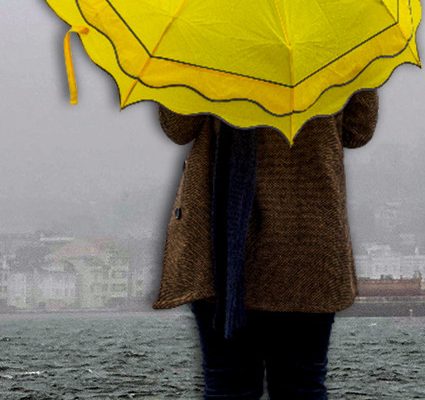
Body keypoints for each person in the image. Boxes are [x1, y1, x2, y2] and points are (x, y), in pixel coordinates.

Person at [153, 89, 379, 400]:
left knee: (228, 387)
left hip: (221, 253)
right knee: (303, 387)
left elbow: (178, 127)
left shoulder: (209, 44)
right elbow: (357, 130)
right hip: (308, 242)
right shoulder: (336, 43)